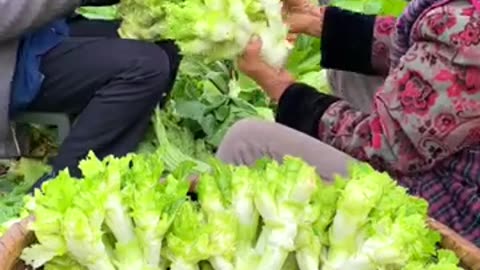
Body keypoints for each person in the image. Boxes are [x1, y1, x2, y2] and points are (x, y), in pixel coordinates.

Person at [216, 0, 480, 246]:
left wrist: (280, 87)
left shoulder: (467, 27)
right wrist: (317, 21)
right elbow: (433, 45)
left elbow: (387, 146)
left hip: (463, 208)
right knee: (350, 74)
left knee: (246, 140)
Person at [0, 0, 181, 189]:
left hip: (37, 34)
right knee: (145, 67)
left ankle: (131, 156)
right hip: (13, 67)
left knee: (164, 42)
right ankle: (60, 189)